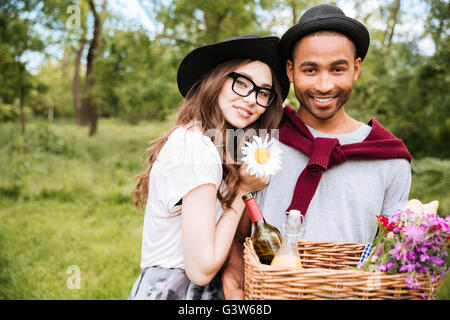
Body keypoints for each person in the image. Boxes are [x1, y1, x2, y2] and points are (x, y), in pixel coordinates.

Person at [221, 4, 439, 300]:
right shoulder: (258, 137)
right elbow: (230, 224)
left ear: (356, 68)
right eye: (310, 70)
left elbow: (391, 253)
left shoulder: (388, 157)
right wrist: (233, 272)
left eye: (338, 69)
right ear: (290, 70)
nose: (324, 85)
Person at [127, 35, 290, 300]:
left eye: (263, 93)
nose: (251, 99)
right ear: (216, 79)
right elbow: (201, 269)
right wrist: (242, 192)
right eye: (242, 83)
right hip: (177, 290)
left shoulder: (210, 141)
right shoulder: (196, 149)